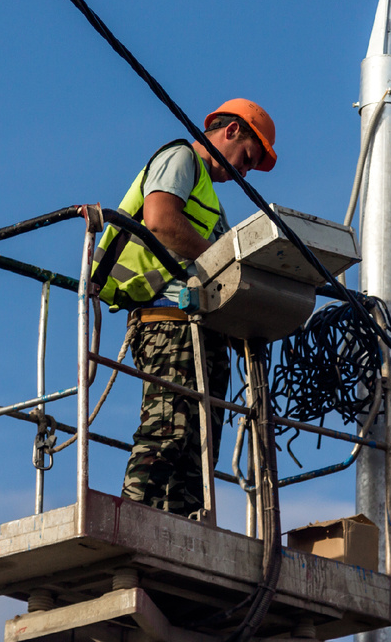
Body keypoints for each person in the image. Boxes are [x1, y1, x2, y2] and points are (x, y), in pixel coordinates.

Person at [91, 98, 277, 518]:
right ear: (231, 132)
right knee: (168, 432)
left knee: (198, 455)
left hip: (199, 331)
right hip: (167, 322)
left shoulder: (213, 203)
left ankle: (178, 529)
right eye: (247, 158)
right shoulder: (181, 159)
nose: (244, 171)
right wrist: (220, 264)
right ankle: (132, 519)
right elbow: (160, 220)